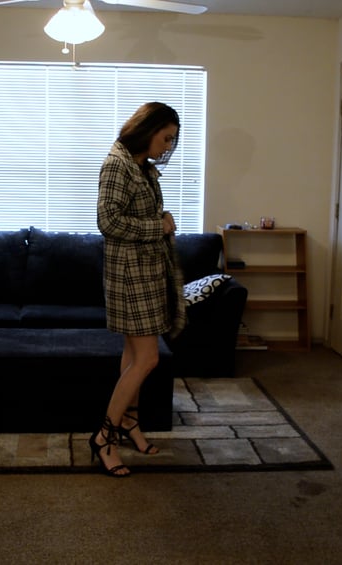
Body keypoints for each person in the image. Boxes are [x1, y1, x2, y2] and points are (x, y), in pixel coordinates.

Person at [91, 101, 186, 477]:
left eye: (173, 140)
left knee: (133, 356)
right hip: (131, 276)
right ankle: (104, 437)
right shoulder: (117, 163)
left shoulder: (140, 164)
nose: (168, 146)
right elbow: (107, 221)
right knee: (148, 359)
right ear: (149, 130)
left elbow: (133, 212)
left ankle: (129, 423)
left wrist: (161, 218)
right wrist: (156, 226)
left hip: (144, 272)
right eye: (166, 138)